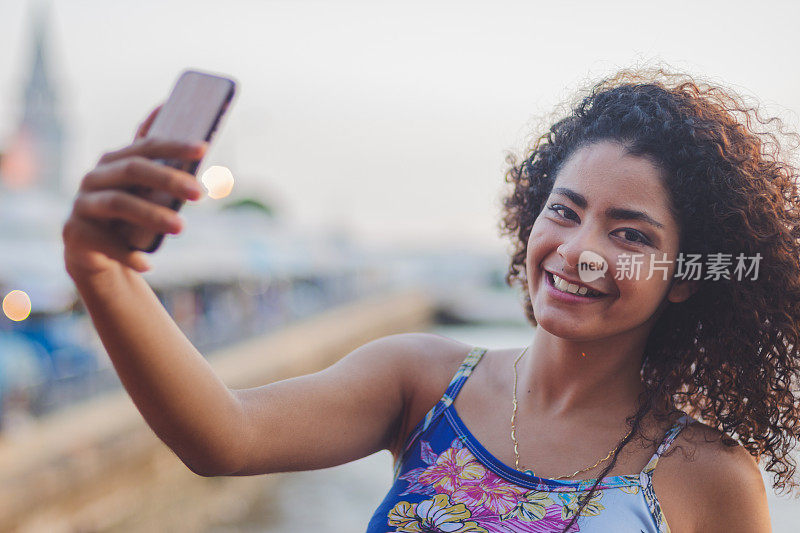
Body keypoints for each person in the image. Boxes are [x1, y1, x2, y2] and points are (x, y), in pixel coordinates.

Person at [61, 68, 798, 532]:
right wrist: (101, 269)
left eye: (630, 233)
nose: (579, 250)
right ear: (530, 215)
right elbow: (224, 435)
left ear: (686, 276)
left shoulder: (710, 477)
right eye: (565, 211)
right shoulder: (423, 380)